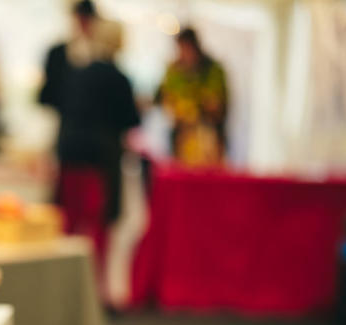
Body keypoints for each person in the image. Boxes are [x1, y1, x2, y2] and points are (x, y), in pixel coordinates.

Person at [39, 0, 140, 235]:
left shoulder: (79, 74)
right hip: (100, 158)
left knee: (69, 221)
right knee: (96, 225)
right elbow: (130, 119)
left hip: (71, 152)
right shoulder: (117, 77)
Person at [156, 27, 228, 166]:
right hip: (181, 135)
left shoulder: (213, 70)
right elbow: (167, 100)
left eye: (187, 48)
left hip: (208, 134)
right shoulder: (174, 70)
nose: (184, 53)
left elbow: (215, 104)